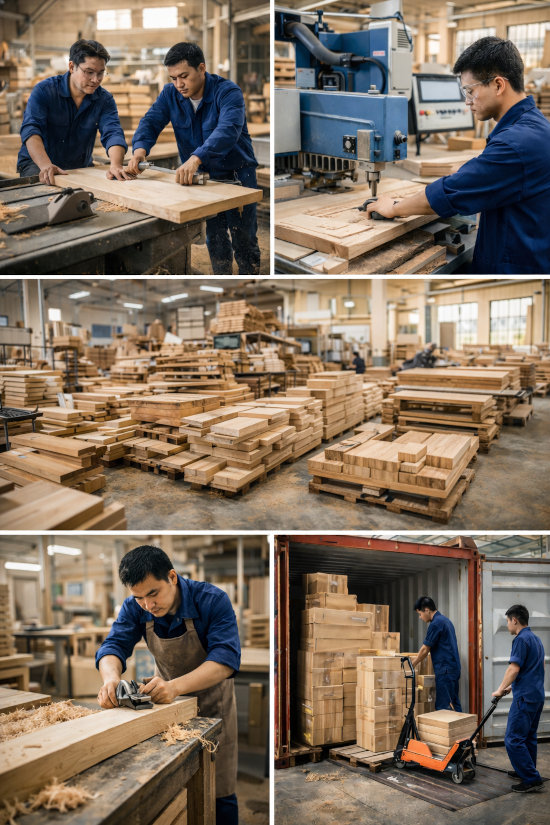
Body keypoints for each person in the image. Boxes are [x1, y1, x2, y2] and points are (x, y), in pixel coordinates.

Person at [366, 37, 550, 274]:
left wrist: (394, 207)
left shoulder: (517, 142)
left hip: (514, 267)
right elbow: (500, 172)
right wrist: (473, 171)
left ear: (498, 85)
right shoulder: (533, 127)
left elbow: (451, 193)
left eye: (470, 91)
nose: (467, 101)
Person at [96, 545, 240, 825]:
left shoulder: (211, 600)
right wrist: (111, 678)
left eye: (153, 594)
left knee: (219, 789)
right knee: (172, 787)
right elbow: (114, 645)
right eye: (139, 598)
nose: (148, 605)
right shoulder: (135, 607)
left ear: (172, 577)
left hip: (213, 704)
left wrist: (174, 687)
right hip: (167, 707)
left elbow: (225, 659)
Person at [127, 42, 261, 275]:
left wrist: (196, 157)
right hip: (203, 177)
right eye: (173, 78)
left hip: (238, 173)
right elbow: (151, 121)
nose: (179, 84)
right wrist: (139, 149)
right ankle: (223, 276)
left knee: (244, 235)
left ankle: (250, 277)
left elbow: (228, 130)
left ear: (201, 68)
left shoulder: (228, 92)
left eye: (184, 76)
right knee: (215, 235)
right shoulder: (170, 94)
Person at [17, 39, 131, 184]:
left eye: (101, 73)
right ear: (72, 67)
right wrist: (46, 165)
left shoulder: (104, 99)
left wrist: (116, 165)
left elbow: (113, 132)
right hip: (38, 163)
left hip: (79, 165)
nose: (96, 80)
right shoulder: (45, 91)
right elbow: (31, 129)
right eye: (89, 72)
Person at [492, 604, 545, 793]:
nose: (507, 625)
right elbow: (537, 669)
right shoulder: (536, 639)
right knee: (528, 737)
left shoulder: (521, 639)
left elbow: (514, 668)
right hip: (536, 696)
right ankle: (526, 770)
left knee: (513, 739)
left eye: (507, 621)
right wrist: (511, 687)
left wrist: (499, 689)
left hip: (524, 698)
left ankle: (531, 778)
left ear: (515, 620)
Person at [410, 596, 462, 711]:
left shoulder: (436, 623)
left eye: (420, 614)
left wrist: (413, 664)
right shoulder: (445, 620)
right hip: (452, 669)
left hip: (445, 670)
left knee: (444, 707)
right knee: (454, 704)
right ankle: (464, 729)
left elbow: (425, 649)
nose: (420, 617)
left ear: (427, 610)